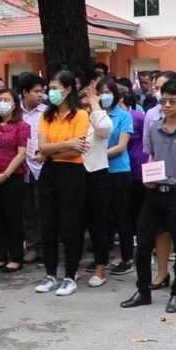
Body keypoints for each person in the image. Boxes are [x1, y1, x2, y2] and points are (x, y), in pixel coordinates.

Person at [121, 80, 176, 314]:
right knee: (143, 243)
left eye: (172, 101)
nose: (167, 105)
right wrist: (148, 176)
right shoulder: (154, 127)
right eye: (163, 101)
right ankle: (143, 290)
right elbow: (153, 156)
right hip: (154, 193)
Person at [34, 70, 90, 297]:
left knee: (70, 227)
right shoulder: (46, 115)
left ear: (68, 90)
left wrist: (49, 153)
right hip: (49, 173)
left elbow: (78, 151)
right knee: (48, 226)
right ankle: (50, 274)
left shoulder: (81, 115)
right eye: (50, 88)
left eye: (55, 88)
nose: (51, 92)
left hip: (72, 173)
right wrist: (66, 144)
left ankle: (70, 276)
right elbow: (42, 147)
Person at [0, 88, 30, 273]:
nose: (2, 103)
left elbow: (21, 154)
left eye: (6, 99)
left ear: (14, 104)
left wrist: (6, 174)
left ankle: (15, 257)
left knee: (13, 218)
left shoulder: (22, 126)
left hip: (12, 177)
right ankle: (0, 257)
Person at [80, 81, 114, 287]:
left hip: (97, 175)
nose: (86, 109)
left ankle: (100, 268)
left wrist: (94, 103)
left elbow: (104, 128)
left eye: (89, 105)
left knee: (98, 225)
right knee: (73, 225)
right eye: (83, 105)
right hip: (74, 176)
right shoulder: (73, 122)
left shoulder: (101, 122)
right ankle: (73, 268)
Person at [101, 79, 134, 275]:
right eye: (101, 92)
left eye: (108, 92)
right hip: (98, 170)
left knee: (121, 214)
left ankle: (127, 257)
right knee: (102, 216)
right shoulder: (95, 115)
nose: (104, 95)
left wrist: (98, 155)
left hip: (118, 170)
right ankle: (102, 257)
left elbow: (121, 146)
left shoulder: (123, 115)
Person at [18, 74, 47, 264]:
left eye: (42, 91)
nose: (40, 95)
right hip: (21, 165)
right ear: (25, 92)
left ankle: (45, 246)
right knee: (26, 208)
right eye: (36, 91)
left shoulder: (47, 112)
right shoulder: (16, 112)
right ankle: (32, 246)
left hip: (43, 163)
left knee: (43, 207)